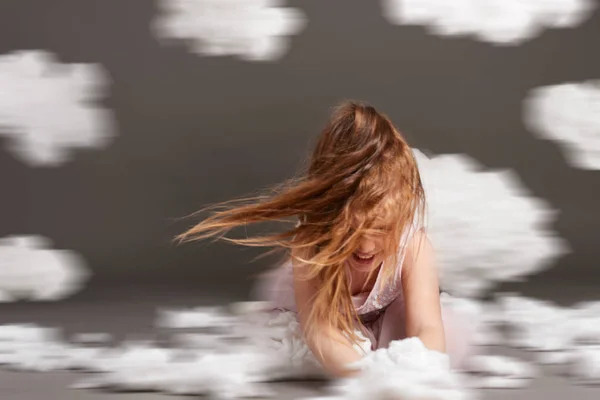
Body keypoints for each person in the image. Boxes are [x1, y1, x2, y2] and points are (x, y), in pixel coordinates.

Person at [176, 101, 476, 378]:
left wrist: (422, 372)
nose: (366, 246)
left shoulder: (414, 246)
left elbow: (427, 325)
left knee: (440, 337)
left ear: (401, 216)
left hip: (381, 314)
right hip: (315, 314)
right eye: (351, 230)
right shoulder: (311, 244)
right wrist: (368, 380)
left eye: (382, 230)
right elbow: (321, 332)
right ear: (328, 216)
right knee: (302, 349)